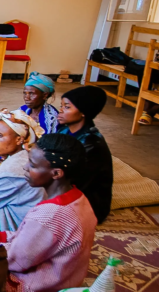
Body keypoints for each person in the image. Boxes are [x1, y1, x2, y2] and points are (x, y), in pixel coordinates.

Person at [0, 134, 97, 291]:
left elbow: (17, 260)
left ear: (56, 173)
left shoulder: (48, 215)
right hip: (68, 278)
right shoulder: (79, 198)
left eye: (33, 165)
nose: (25, 167)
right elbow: (30, 239)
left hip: (35, 285)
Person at [58, 85, 113, 224]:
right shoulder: (63, 130)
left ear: (84, 112)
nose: (61, 111)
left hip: (89, 204)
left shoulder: (92, 144)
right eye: (61, 106)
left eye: (67, 107)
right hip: (64, 185)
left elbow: (76, 181)